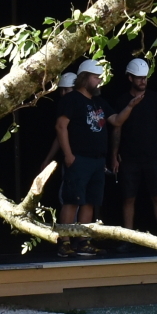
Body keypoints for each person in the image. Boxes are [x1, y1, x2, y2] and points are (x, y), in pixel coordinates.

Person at [52, 58, 113, 251]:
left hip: (97, 160)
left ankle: (82, 241)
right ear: (85, 78)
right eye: (96, 77)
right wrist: (69, 155)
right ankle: (64, 241)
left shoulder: (99, 102)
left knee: (90, 201)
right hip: (79, 158)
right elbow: (61, 127)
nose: (98, 82)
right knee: (72, 200)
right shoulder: (71, 99)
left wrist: (131, 106)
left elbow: (116, 120)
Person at [110, 57, 157, 232]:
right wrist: (114, 156)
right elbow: (116, 128)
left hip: (153, 156)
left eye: (145, 77)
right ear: (130, 78)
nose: (143, 80)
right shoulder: (122, 100)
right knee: (128, 198)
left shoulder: (155, 98)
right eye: (139, 77)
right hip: (129, 158)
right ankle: (129, 237)